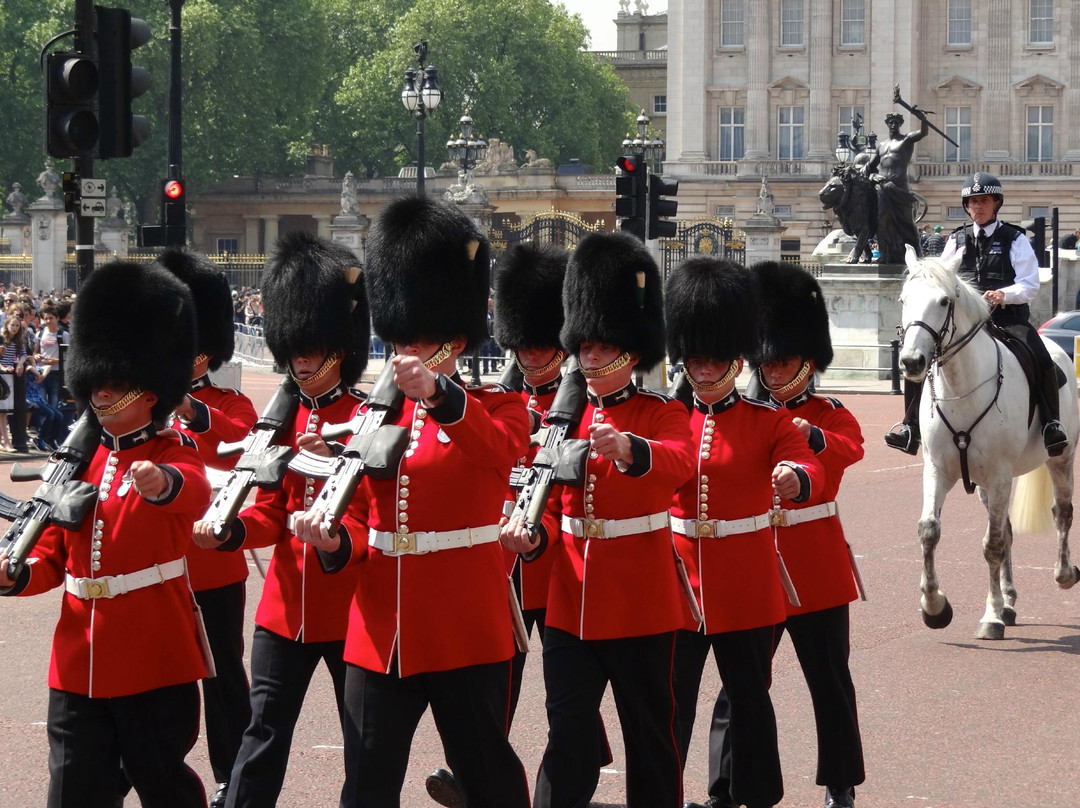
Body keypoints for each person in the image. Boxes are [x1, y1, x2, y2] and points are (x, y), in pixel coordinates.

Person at [292, 195, 532, 808]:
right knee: (366, 786)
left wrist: (442, 395)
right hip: (381, 625)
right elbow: (360, 517)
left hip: (463, 624)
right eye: (402, 335)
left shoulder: (498, 406)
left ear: (456, 340)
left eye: (422, 338)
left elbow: (499, 452)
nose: (408, 347)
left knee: (488, 780)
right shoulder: (370, 419)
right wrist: (333, 539)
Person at [0, 259, 211, 808]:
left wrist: (161, 482)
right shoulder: (76, 463)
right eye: (97, 383)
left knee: (165, 788)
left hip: (152, 654)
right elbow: (50, 558)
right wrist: (13, 575)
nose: (101, 394)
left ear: (150, 392)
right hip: (77, 659)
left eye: (115, 385)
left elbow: (194, 491)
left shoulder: (172, 451)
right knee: (72, 793)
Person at [502, 231, 695, 808]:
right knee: (567, 730)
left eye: (600, 347)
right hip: (570, 598)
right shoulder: (560, 418)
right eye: (582, 346)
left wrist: (631, 449)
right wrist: (531, 535)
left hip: (640, 601)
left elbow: (680, 463)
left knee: (650, 736)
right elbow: (547, 500)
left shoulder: (661, 412)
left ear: (629, 353)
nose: (587, 358)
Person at [192, 233, 370, 808]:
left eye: (311, 349)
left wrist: (337, 531)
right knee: (262, 733)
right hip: (286, 605)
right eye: (294, 349)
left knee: (363, 742)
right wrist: (235, 530)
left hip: (349, 606)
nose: (300, 360)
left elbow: (372, 513)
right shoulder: (277, 421)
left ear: (338, 349)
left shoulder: (367, 419)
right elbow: (269, 509)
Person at [664, 257, 823, 808]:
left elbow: (804, 460)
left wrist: (796, 477)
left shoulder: (766, 419)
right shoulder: (668, 418)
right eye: (696, 361)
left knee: (749, 699)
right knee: (670, 703)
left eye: (715, 361)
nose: (705, 370)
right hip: (681, 584)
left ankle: (749, 796)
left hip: (746, 583)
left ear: (735, 361)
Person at [742, 261, 866, 808]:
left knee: (829, 681)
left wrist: (810, 433)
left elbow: (850, 449)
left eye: (784, 362)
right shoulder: (746, 414)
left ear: (808, 362)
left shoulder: (829, 413)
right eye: (766, 362)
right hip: (755, 563)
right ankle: (728, 787)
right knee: (743, 684)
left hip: (815, 566)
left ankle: (841, 784)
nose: (772, 373)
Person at [158, 247, 259, 808]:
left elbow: (240, 446)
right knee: (161, 679)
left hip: (214, 563)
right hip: (158, 565)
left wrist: (194, 412)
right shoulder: (142, 409)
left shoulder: (230, 404)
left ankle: (232, 776)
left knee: (222, 678)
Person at [885, 172, 1068, 456]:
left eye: (984, 200)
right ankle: (910, 427)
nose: (978, 206)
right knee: (918, 356)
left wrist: (1003, 295)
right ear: (967, 206)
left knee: (1040, 357)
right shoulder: (956, 239)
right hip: (964, 322)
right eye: (972, 202)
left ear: (996, 203)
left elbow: (1029, 284)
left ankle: (1051, 425)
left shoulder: (1014, 238)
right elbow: (940, 279)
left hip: (1007, 319)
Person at [863, 111, 928, 264]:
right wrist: (872, 176)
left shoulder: (906, 140)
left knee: (907, 222)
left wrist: (923, 119)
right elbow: (870, 167)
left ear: (900, 124)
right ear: (887, 124)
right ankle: (885, 254)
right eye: (891, 122)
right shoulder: (881, 146)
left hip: (899, 188)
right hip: (882, 188)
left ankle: (917, 253)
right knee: (881, 219)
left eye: (896, 122)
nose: (893, 125)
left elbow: (923, 133)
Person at [36, 304, 65, 409]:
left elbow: (70, 355)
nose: (48, 321)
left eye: (51, 318)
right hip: (41, 372)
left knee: (54, 402)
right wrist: (36, 356)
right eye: (46, 319)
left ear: (57, 318)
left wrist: (57, 361)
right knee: (42, 402)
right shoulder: (40, 334)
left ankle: (54, 419)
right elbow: (34, 352)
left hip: (56, 373)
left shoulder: (64, 334)